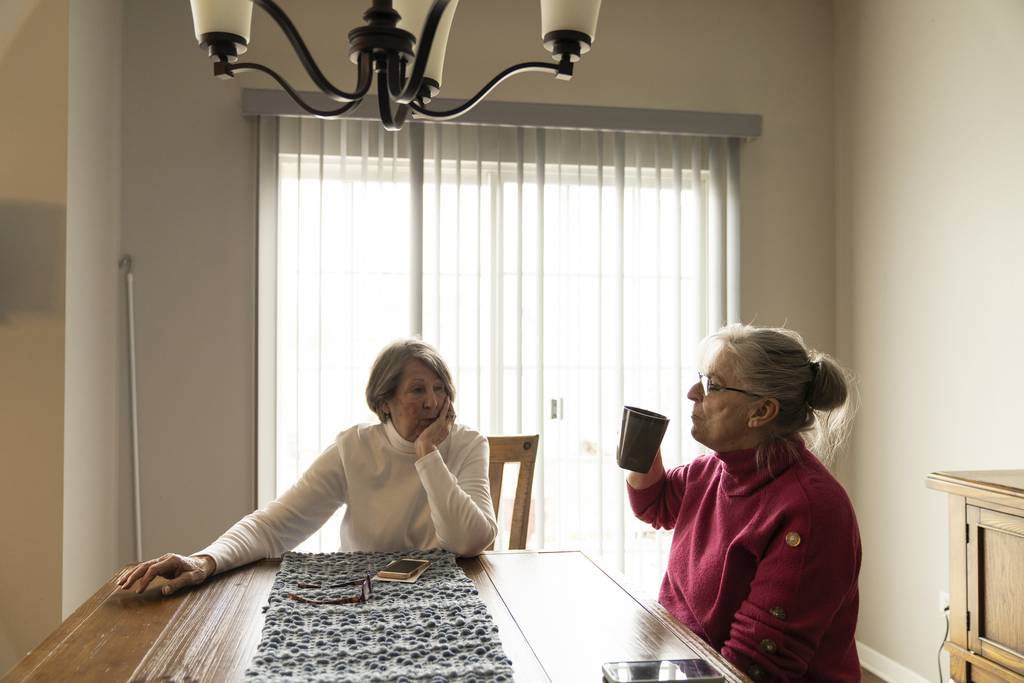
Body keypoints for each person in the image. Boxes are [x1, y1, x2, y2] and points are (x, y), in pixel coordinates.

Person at [117, 338, 498, 596]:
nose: (433, 402)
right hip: (364, 600)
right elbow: (275, 525)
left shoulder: (467, 444)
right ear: (385, 402)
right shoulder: (354, 449)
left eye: (440, 388)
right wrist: (204, 561)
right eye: (418, 390)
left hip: (445, 599)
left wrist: (428, 455)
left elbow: (470, 542)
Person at [626, 324, 861, 682]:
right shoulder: (711, 471)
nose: (693, 393)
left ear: (761, 411)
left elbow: (754, 666)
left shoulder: (811, 510)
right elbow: (654, 504)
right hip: (691, 666)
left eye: (712, 385)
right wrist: (639, 444)